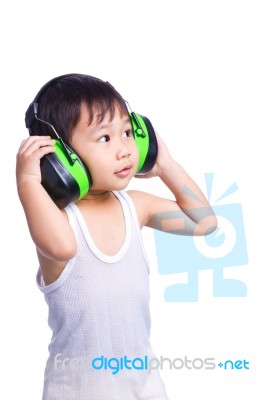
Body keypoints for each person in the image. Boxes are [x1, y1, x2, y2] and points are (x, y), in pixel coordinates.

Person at [16, 73, 217, 400]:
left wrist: (165, 164)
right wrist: (28, 180)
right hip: (77, 391)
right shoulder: (60, 221)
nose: (125, 149)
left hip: (144, 387)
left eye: (127, 131)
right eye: (104, 139)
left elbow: (204, 222)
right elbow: (63, 247)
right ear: (62, 157)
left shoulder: (136, 206)